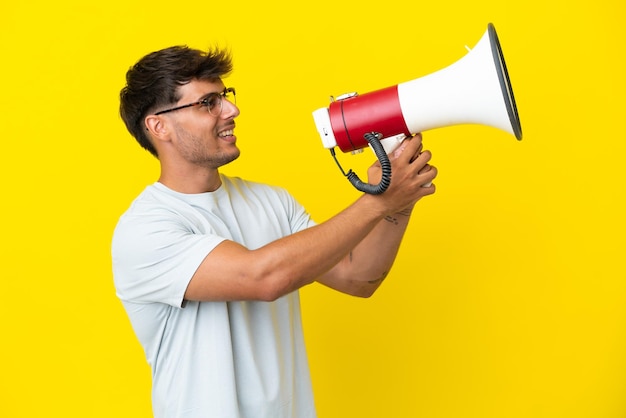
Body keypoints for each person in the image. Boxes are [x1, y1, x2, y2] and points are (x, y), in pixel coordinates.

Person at [112, 45, 437, 418]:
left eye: (226, 97)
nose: (231, 111)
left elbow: (357, 277)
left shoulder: (271, 202)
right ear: (159, 126)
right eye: (208, 102)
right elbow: (263, 277)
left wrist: (398, 205)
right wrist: (377, 202)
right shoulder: (145, 230)